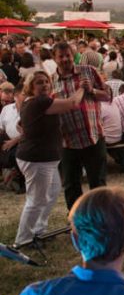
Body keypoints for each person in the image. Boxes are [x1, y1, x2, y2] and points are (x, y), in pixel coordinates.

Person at [13, 72, 83, 247]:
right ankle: (24, 239)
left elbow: (19, 125)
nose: (44, 85)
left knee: (50, 193)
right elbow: (72, 103)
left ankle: (39, 230)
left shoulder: (31, 102)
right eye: (39, 83)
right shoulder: (39, 102)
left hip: (42, 158)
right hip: (37, 159)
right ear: (31, 86)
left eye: (46, 82)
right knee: (36, 199)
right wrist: (82, 87)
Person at [52, 42, 111, 210]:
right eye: (60, 56)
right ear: (54, 59)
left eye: (68, 55)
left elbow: (107, 96)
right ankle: (76, 221)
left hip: (93, 136)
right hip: (67, 141)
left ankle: (101, 218)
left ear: (73, 55)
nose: (65, 59)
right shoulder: (51, 79)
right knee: (71, 185)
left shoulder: (88, 71)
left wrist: (92, 90)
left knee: (98, 184)